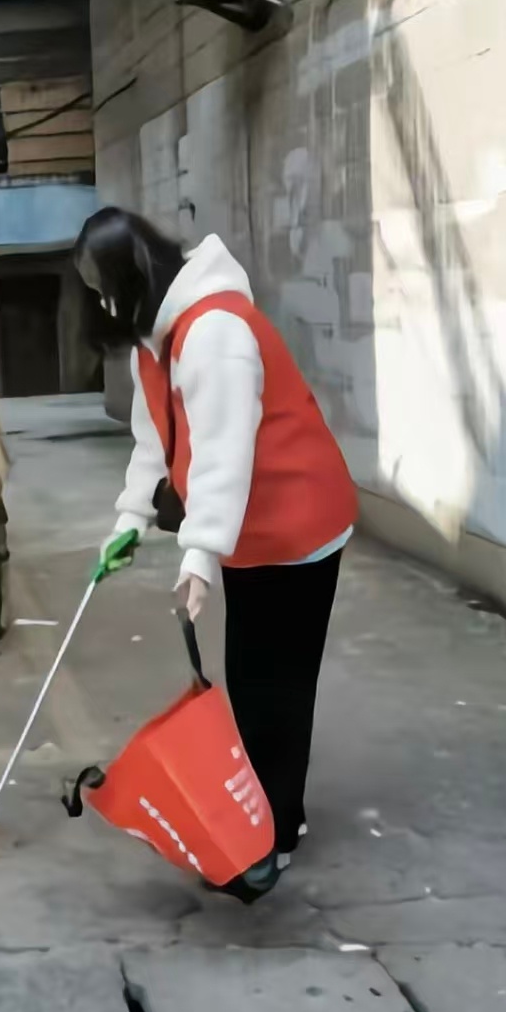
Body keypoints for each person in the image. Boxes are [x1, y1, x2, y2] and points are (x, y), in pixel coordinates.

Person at [78, 208, 356, 888]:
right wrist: (129, 518)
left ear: (129, 279)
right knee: (250, 677)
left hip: (296, 526)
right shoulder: (160, 339)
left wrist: (197, 554)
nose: (100, 307)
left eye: (101, 292)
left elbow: (222, 457)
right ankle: (263, 816)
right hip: (247, 533)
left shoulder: (215, 334)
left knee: (276, 686)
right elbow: (159, 437)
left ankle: (276, 833)